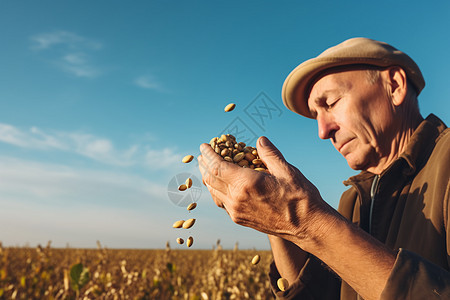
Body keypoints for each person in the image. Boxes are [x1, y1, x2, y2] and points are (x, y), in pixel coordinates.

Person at [198, 38, 450, 299]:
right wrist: (278, 224)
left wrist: (306, 220)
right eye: (316, 114)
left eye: (330, 103)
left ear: (394, 86)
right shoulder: (353, 200)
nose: (322, 131)